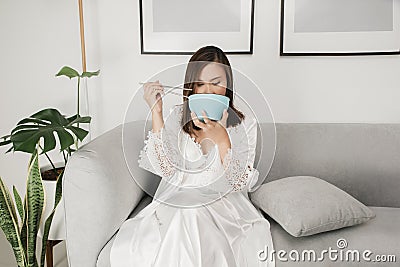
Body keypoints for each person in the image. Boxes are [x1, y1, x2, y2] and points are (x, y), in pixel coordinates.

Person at [110, 46, 275, 266]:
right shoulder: (177, 116)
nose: (208, 90)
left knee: (192, 215)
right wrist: (157, 112)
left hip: (224, 206)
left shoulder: (245, 126)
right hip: (178, 201)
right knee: (187, 214)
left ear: (228, 85)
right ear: (191, 87)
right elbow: (165, 170)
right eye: (200, 84)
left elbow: (240, 183)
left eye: (216, 83)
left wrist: (222, 139)